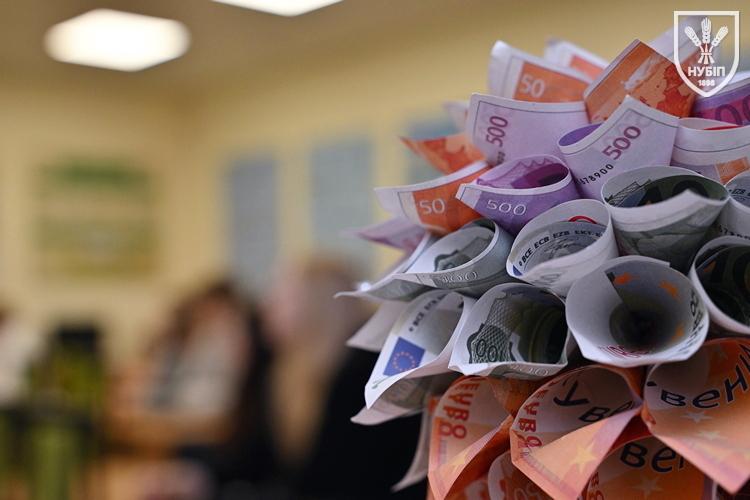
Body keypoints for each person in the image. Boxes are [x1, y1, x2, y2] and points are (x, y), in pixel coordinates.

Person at [211, 255, 425, 500]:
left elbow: (353, 480)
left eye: (281, 298)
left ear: (316, 307)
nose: (265, 307)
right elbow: (257, 462)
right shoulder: (282, 370)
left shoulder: (365, 376)